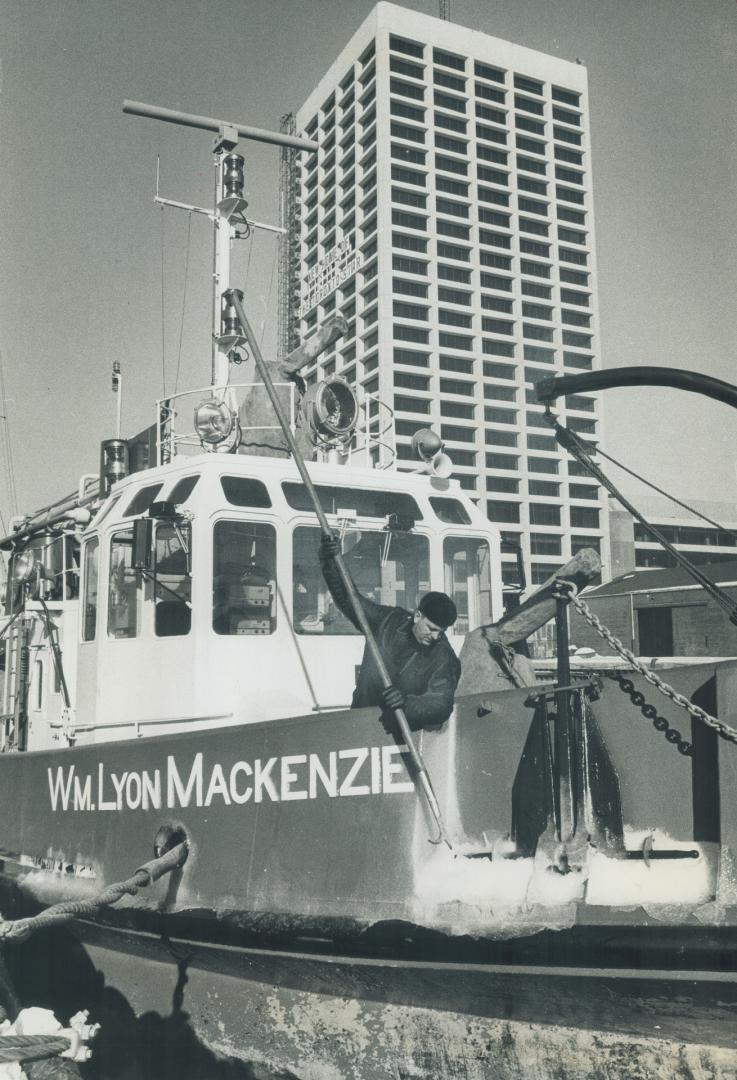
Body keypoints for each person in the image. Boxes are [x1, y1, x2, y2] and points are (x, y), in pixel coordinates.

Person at [319, 533, 461, 731]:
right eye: (432, 628)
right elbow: (349, 599)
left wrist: (407, 703)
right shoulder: (387, 621)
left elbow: (441, 702)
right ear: (418, 616)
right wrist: (331, 560)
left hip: (398, 731)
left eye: (441, 631)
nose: (436, 636)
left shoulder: (443, 656)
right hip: (360, 720)